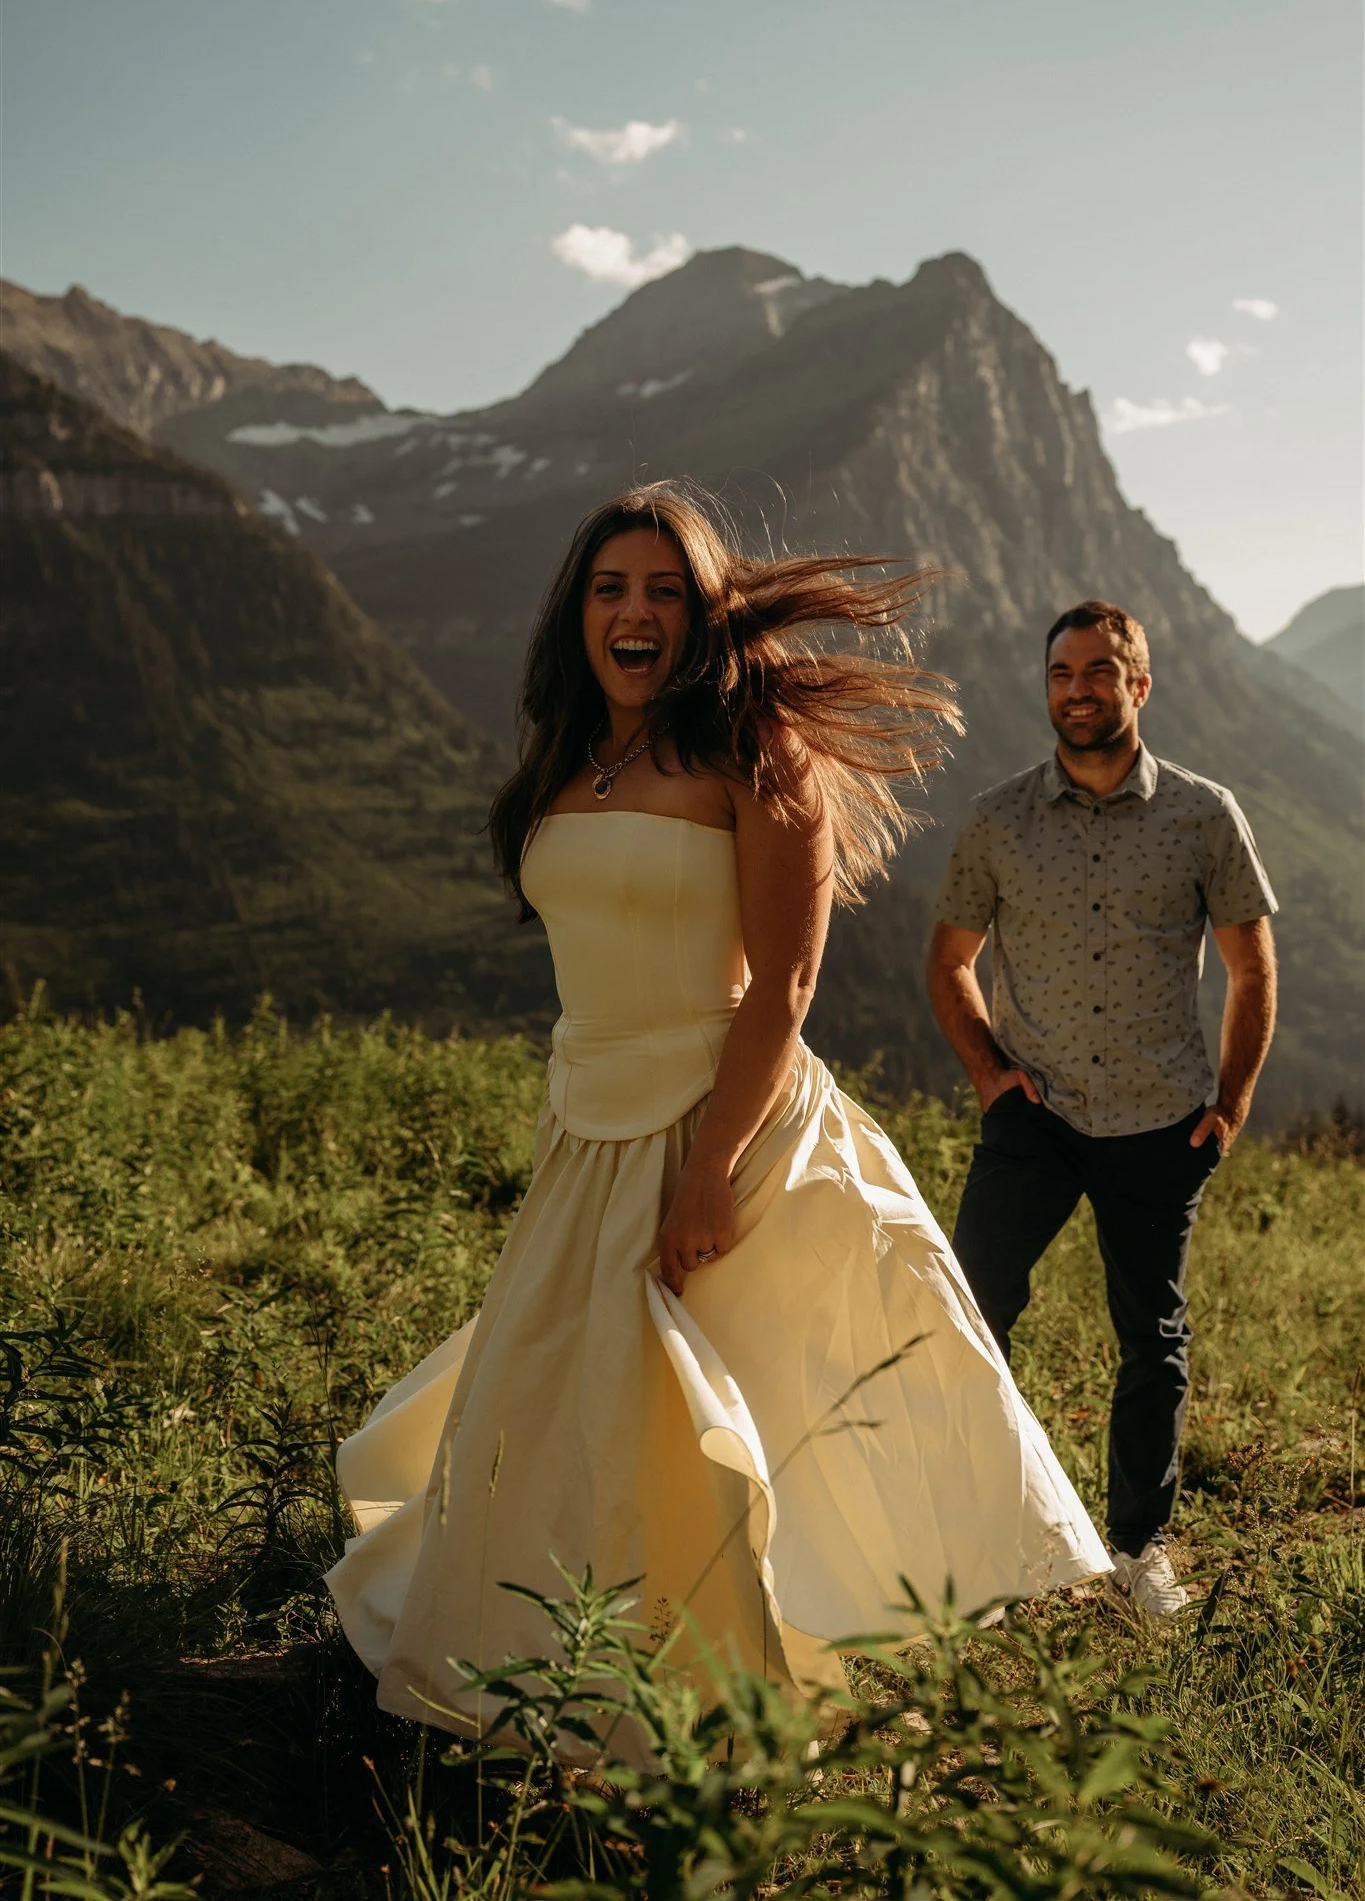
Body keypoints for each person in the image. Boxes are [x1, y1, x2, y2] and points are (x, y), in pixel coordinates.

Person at [326, 486, 1109, 1758]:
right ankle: (543, 1668)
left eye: (663, 590)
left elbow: (785, 985)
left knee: (713, 1431)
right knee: (552, 1406)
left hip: (720, 1116)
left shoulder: (758, 752)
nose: (635, 612)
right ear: (577, 613)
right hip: (587, 1120)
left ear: (703, 611)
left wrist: (708, 1174)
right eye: (609, 589)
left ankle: (713, 1694)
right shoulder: (573, 755)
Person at [928, 600, 1278, 1620]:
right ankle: (979, 1540)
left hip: (1160, 1123)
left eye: (1099, 669)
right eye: (1060, 672)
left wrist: (1233, 1099)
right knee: (971, 1311)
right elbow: (949, 961)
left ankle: (1136, 1552)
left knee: (1150, 1337)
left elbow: (1251, 967)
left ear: (1140, 684)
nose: (1077, 687)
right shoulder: (999, 818)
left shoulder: (1205, 815)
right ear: (1047, 687)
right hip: (1033, 1117)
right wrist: (992, 1074)